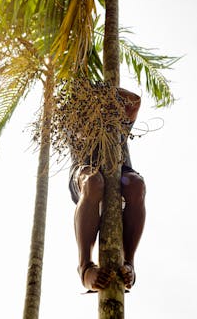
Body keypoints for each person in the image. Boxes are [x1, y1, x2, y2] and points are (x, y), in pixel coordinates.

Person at [68, 87, 146, 292]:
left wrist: (107, 88)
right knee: (93, 182)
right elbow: (71, 103)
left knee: (136, 185)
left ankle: (129, 263)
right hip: (85, 172)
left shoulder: (116, 119)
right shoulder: (76, 119)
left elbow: (134, 102)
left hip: (121, 172)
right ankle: (84, 267)